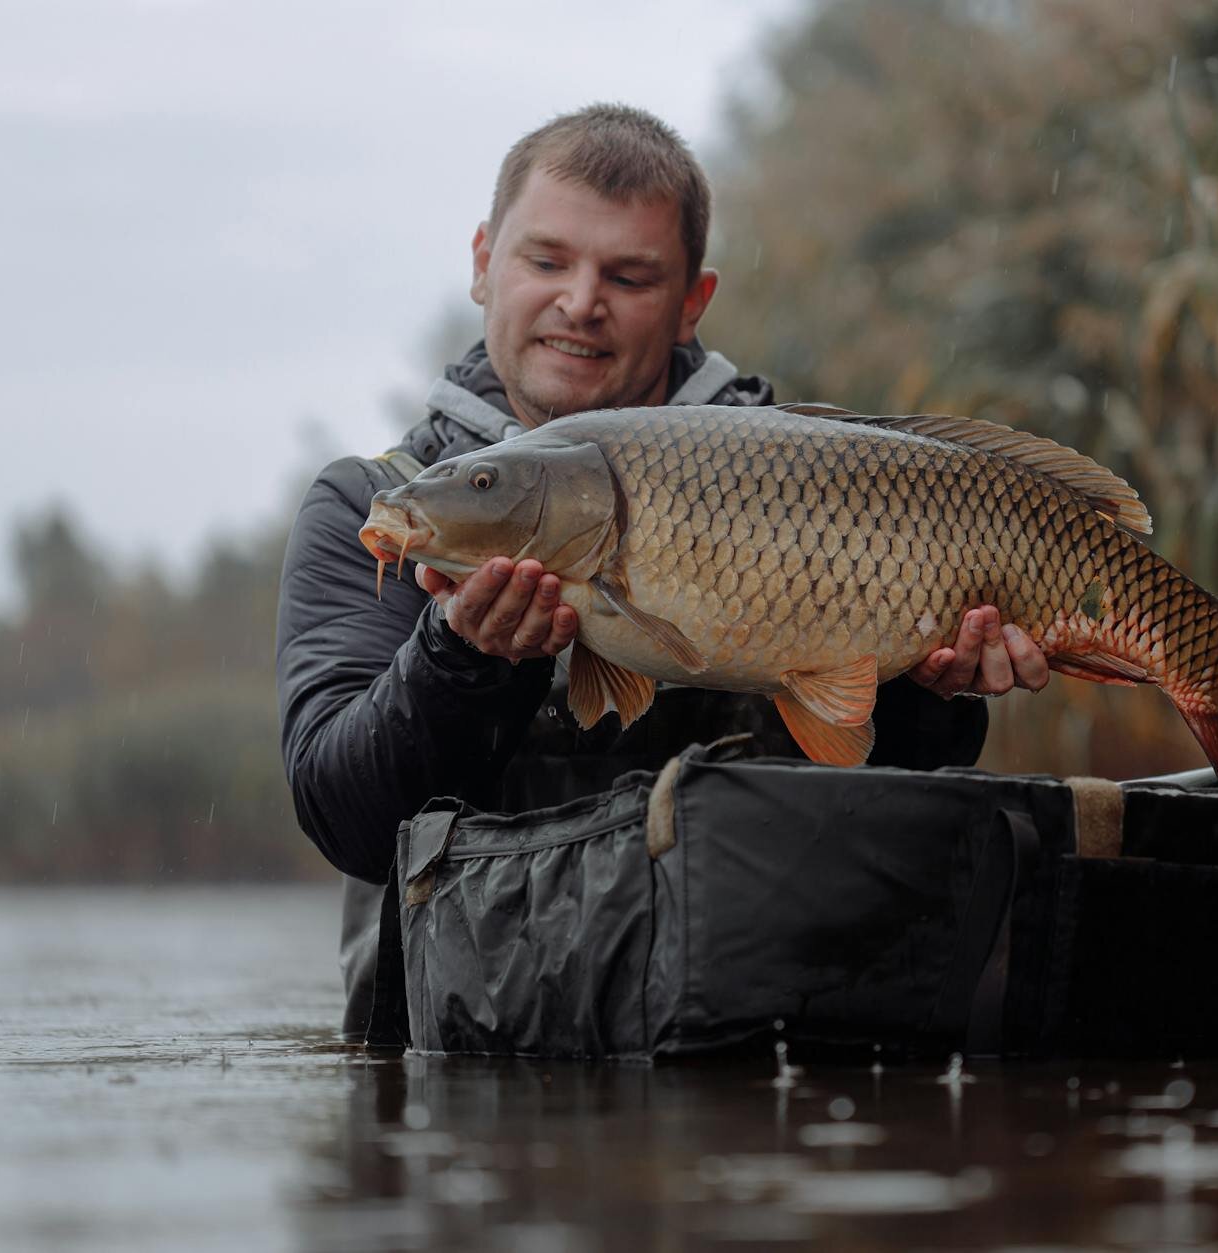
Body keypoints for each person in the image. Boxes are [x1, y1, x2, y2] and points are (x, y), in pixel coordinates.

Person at [275, 104, 1048, 1040]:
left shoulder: (820, 474)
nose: (580, 301)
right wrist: (459, 659)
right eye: (547, 261)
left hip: (768, 1042)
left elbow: (892, 790)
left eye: (629, 275)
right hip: (469, 1064)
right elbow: (346, 820)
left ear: (692, 301)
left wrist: (937, 689)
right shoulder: (380, 507)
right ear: (483, 261)